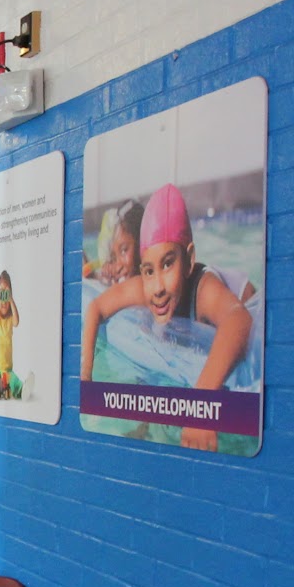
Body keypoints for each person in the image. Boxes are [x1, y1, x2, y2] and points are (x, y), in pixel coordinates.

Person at [83, 183, 254, 451]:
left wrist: (201, 403)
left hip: (242, 295)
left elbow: (239, 319)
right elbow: (96, 307)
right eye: (149, 271)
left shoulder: (203, 289)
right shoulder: (147, 287)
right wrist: (85, 378)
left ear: (189, 259)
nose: (158, 287)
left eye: (168, 264)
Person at [0, 270, 21, 388]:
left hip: (8, 369)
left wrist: (11, 299)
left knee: (14, 381)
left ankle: (21, 389)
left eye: (5, 294)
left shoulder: (10, 318)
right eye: (1, 293)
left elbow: (17, 322)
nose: (3, 301)